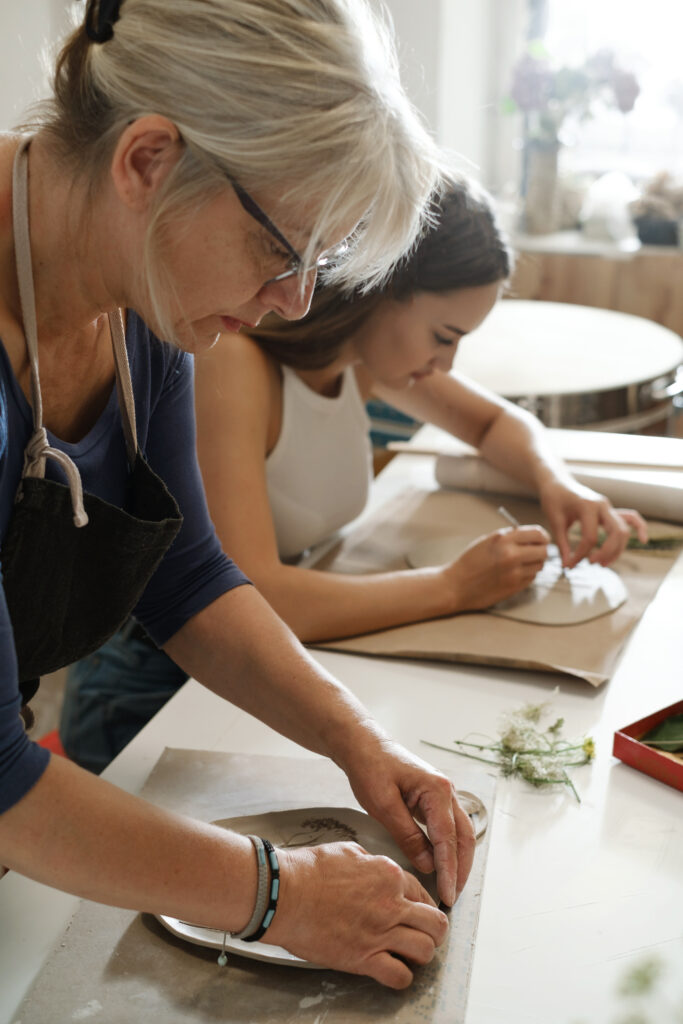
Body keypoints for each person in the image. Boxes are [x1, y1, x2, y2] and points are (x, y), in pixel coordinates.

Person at [0, 0, 475, 991]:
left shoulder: (139, 294)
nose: (294, 302)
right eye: (281, 251)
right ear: (147, 160)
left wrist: (356, 738)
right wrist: (278, 894)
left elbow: (187, 580)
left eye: (320, 263)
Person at [64, 180, 648, 764]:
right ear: (379, 289)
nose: (446, 364)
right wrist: (454, 587)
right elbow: (258, 592)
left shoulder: (364, 359)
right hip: (156, 690)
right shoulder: (237, 363)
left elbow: (496, 422)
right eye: (443, 337)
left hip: (263, 664)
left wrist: (556, 483)